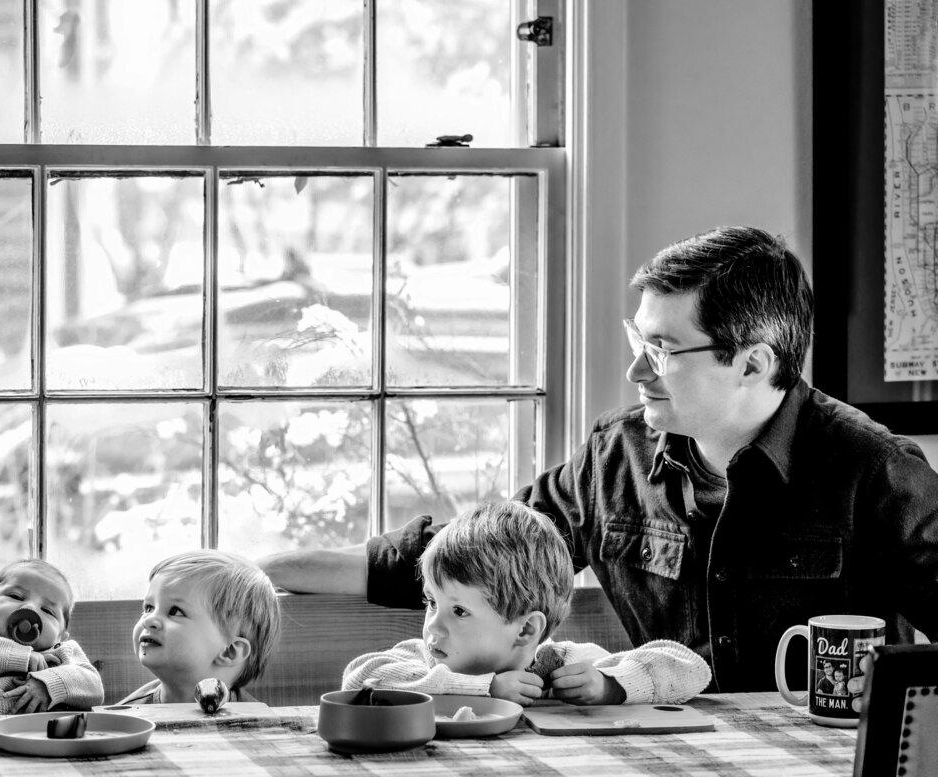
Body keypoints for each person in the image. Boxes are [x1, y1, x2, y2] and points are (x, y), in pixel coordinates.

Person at [260, 226, 938, 692]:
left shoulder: (877, 474)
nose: (636, 370)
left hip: (831, 775)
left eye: (665, 351)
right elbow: (477, 557)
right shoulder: (614, 458)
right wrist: (263, 571)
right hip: (661, 761)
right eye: (636, 340)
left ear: (753, 363)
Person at [342, 503, 710, 705]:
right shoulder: (422, 661)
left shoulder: (564, 665)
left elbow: (692, 669)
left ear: (526, 629)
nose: (433, 628)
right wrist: (485, 688)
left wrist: (611, 686)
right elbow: (358, 679)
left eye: (459, 611)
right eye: (431, 604)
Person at [120, 551, 280, 705]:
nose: (150, 620)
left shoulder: (260, 726)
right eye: (149, 608)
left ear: (229, 651)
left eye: (175, 611)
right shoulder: (123, 721)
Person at [0, 559, 104, 715]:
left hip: (39, 735)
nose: (31, 608)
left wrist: (48, 684)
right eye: (16, 596)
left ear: (61, 636)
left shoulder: (62, 652)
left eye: (48, 611)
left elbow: (93, 686)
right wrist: (20, 656)